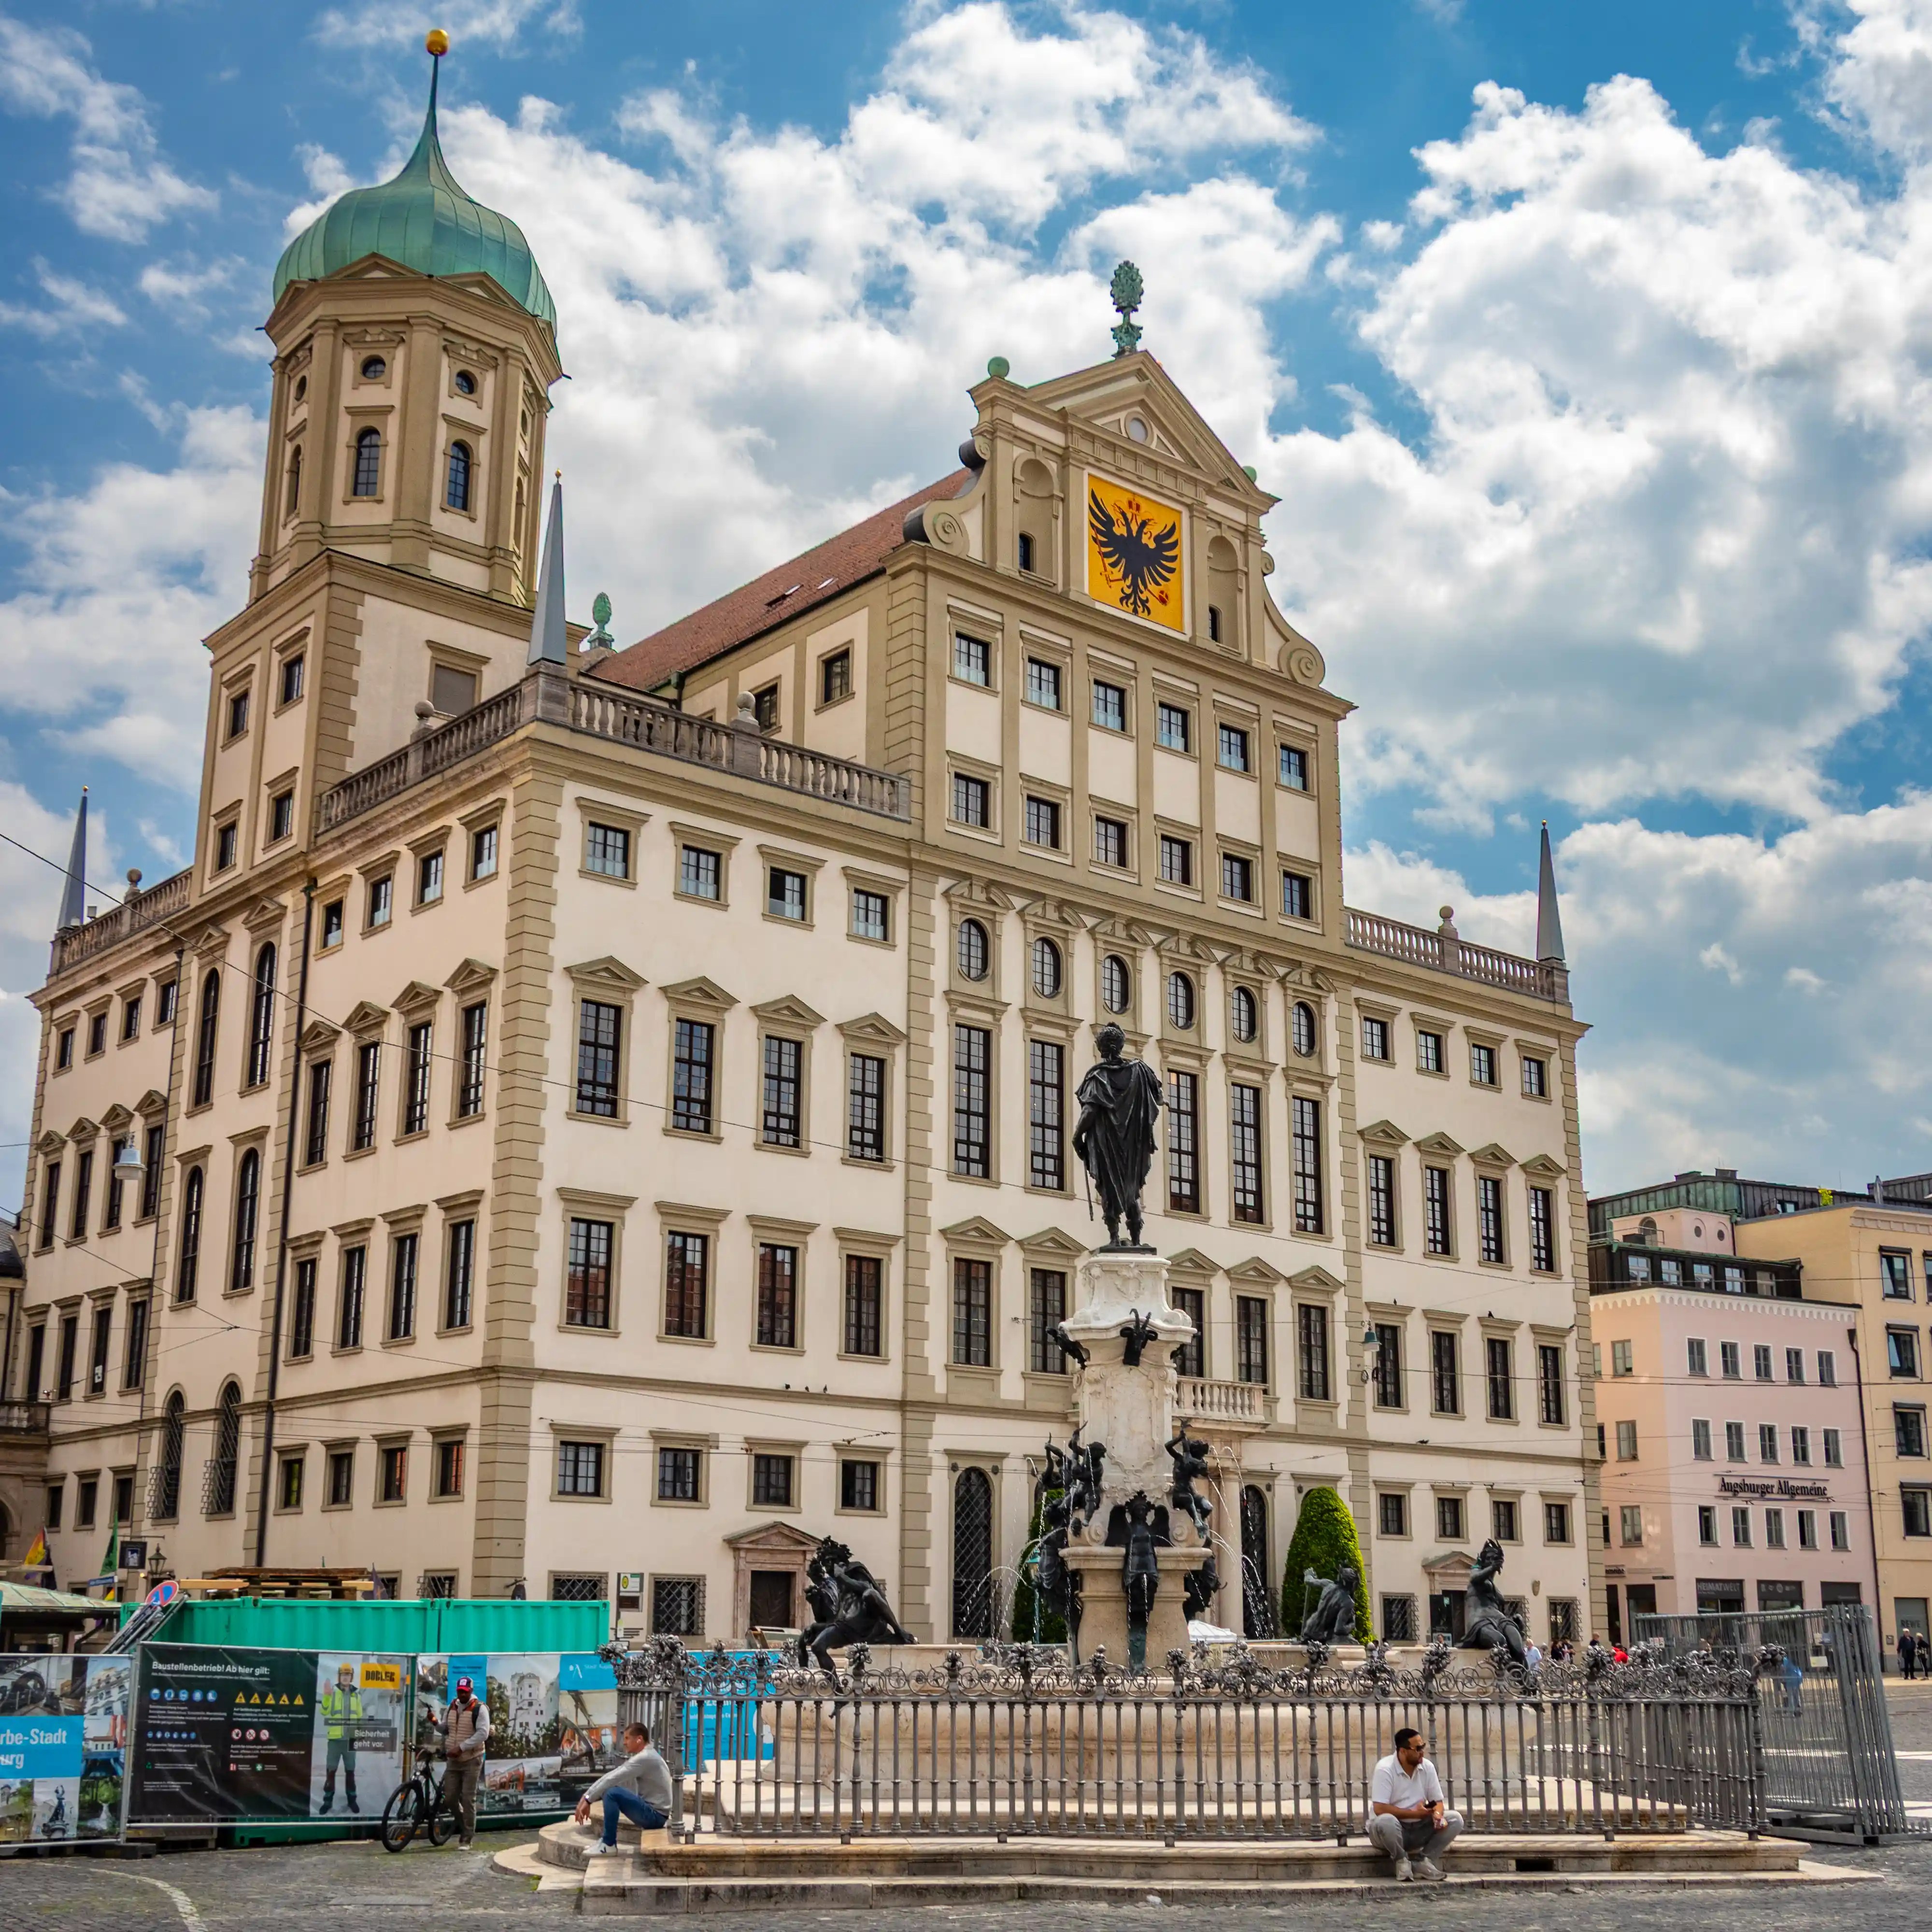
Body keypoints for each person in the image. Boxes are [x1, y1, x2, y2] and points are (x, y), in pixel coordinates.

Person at [1367, 1727, 1463, 1882]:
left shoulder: (1427, 1767)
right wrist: (1414, 1814)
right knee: (1386, 1821)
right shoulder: (1385, 1769)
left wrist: (1437, 1816)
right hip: (1389, 1832)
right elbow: (1380, 1808)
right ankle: (1401, 1861)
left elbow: (1437, 1801)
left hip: (1418, 1828)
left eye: (1423, 1746)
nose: (1422, 1752)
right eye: (1418, 1748)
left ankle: (1424, 1862)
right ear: (1403, 1751)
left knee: (1455, 1819)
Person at [574, 1721, 674, 1853]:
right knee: (610, 1790)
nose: (624, 1742)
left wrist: (588, 1800)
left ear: (639, 1739)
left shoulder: (645, 1758)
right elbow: (611, 1775)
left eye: (627, 1738)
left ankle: (609, 1844)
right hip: (656, 1814)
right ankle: (606, 1841)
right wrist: (586, 1797)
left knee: (611, 1793)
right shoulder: (647, 1755)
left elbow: (612, 1779)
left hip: (656, 1817)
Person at [439, 1674, 491, 1849]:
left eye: (465, 1692)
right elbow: (446, 1729)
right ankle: (463, 1821)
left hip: (472, 1759)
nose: (462, 1695)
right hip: (453, 1760)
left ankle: (467, 1838)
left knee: (468, 1798)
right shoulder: (452, 1706)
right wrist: (434, 1722)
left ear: (471, 1691)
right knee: (450, 1798)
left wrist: (461, 1747)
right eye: (460, 1691)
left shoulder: (480, 1708)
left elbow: (483, 1734)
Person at [318, 1662, 362, 1816]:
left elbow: (359, 1717)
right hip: (335, 1740)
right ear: (339, 1676)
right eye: (343, 1675)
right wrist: (327, 1697)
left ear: (352, 1677)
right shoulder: (333, 1692)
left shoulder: (357, 1694)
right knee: (331, 1771)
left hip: (350, 1740)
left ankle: (352, 1800)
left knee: (351, 1772)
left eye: (348, 1675)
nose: (345, 1677)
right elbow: (324, 1712)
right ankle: (327, 1801)